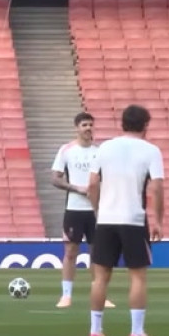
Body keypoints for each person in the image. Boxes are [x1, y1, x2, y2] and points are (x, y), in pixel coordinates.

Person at [86, 105, 164, 336]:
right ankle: (136, 332)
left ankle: (95, 331)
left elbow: (92, 184)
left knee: (100, 277)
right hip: (133, 219)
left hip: (107, 220)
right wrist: (158, 220)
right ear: (146, 125)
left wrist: (98, 210)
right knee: (138, 277)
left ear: (123, 123)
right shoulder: (151, 151)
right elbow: (157, 187)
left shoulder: (105, 148)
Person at [51, 112, 115, 309]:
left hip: (96, 210)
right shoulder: (67, 150)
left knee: (97, 253)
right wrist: (77, 188)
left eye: (90, 125)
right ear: (77, 128)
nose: (88, 128)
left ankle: (100, 295)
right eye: (84, 125)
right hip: (75, 208)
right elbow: (55, 178)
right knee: (71, 251)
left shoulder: (100, 151)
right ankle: (66, 295)